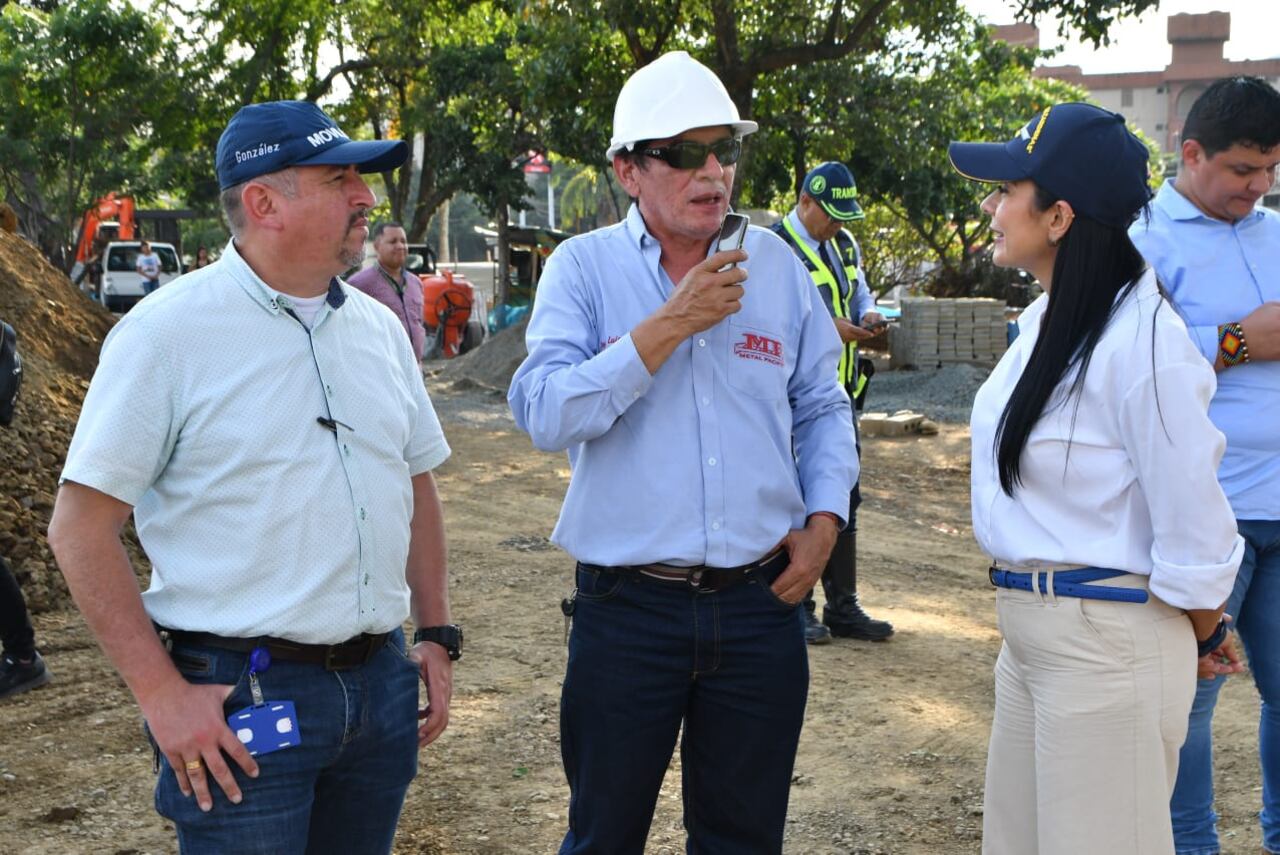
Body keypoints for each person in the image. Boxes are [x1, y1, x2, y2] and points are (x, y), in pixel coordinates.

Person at [47, 100, 459, 855]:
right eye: (339, 180)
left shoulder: (377, 331)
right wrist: (161, 695)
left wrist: (434, 632)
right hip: (241, 693)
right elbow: (78, 529)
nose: (366, 197)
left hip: (380, 685)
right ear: (264, 202)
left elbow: (415, 483)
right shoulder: (165, 335)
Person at [509, 50, 857, 854]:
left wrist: (825, 518)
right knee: (603, 836)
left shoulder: (777, 267)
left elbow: (821, 403)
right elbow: (545, 411)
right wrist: (670, 323)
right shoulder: (583, 269)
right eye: (683, 153)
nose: (712, 172)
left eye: (723, 150)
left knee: (743, 839)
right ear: (627, 171)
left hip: (759, 606)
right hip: (628, 612)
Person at [950, 102, 1245, 854]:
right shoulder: (1050, 324)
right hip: (1031, 633)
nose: (990, 207)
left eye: (1006, 190)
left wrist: (1206, 629)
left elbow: (1195, 523)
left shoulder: (1145, 343)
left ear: (1059, 217)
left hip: (1106, 640)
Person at [1129, 76, 1280, 855]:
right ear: (1191, 154)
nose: (1258, 188)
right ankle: (1192, 847)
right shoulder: (1143, 240)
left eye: (1271, 170)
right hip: (1206, 513)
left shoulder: (1276, 233)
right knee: (1188, 702)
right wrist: (1236, 341)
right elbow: (1127, 362)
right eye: (1243, 170)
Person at [770, 162, 894, 645]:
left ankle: (843, 605)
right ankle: (796, 605)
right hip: (786, 400)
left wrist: (868, 312)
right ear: (805, 202)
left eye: (845, 217)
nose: (838, 226)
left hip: (838, 394)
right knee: (794, 501)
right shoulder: (774, 247)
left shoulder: (843, 244)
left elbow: (858, 289)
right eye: (831, 215)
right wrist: (829, 328)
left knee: (841, 496)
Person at [347, 221, 426, 359]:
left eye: (403, 241)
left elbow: (419, 323)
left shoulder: (416, 283)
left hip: (415, 366)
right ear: (377, 246)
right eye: (393, 241)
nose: (400, 246)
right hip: (379, 367)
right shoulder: (359, 285)